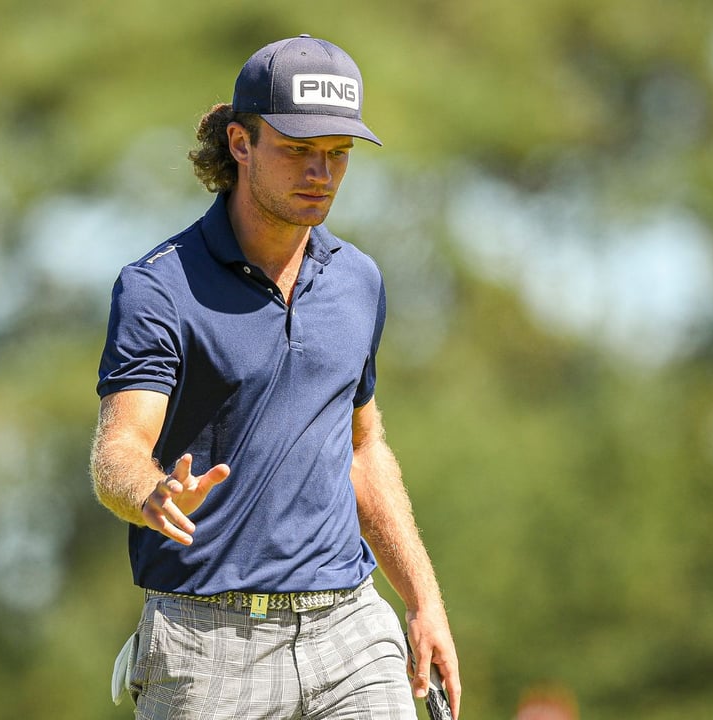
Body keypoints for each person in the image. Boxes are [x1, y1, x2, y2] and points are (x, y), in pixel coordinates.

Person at [90, 34, 460, 719]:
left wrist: (423, 600)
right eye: (297, 150)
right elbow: (118, 450)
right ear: (240, 143)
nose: (320, 172)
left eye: (337, 155)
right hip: (207, 648)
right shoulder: (159, 289)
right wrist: (151, 492)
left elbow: (362, 448)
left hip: (349, 630)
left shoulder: (358, 281)